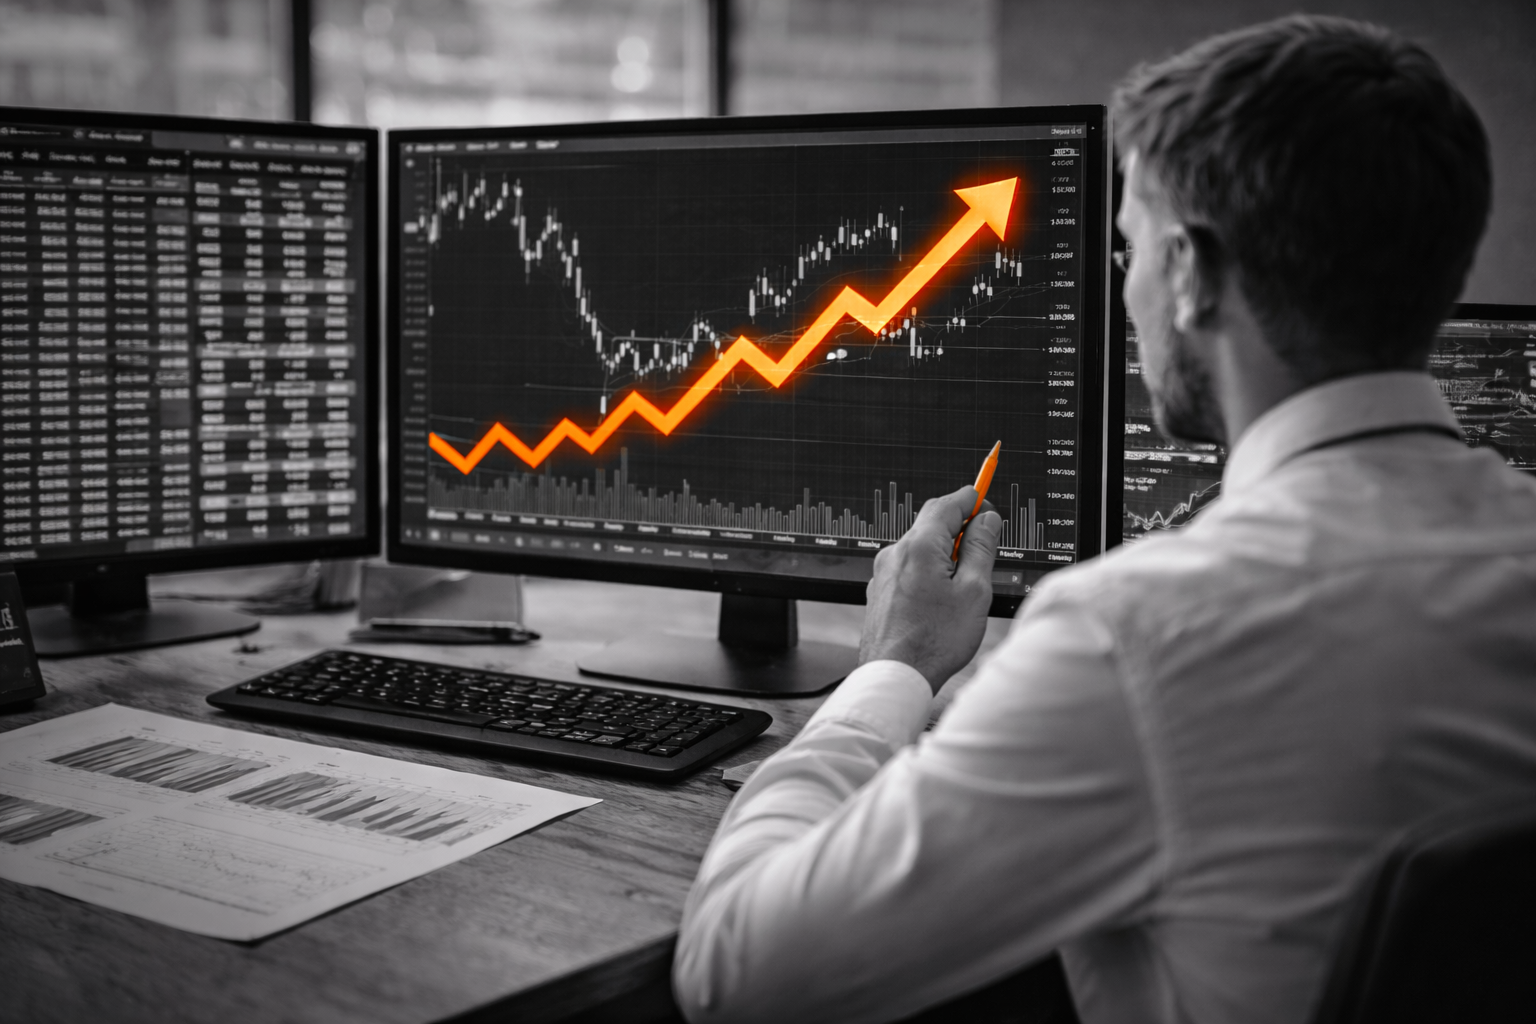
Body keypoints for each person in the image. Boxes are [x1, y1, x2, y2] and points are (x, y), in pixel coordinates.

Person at [671, 15, 1536, 1024]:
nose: (1122, 291)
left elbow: (734, 976)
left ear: (1191, 272)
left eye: (1126, 249)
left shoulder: (1137, 639)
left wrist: (892, 666)